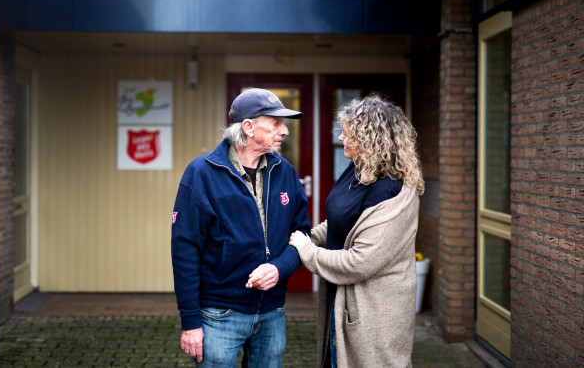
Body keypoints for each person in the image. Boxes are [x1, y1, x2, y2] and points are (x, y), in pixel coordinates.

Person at [171, 88, 311, 367]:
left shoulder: (285, 172)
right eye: (275, 123)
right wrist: (190, 322)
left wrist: (279, 268)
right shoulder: (201, 173)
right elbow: (185, 249)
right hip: (219, 313)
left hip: (272, 311)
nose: (284, 131)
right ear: (248, 127)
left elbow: (302, 234)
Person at [289, 94, 425, 368]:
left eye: (348, 134)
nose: (341, 138)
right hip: (342, 298)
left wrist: (307, 251)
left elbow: (360, 262)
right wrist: (310, 236)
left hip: (375, 309)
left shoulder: (393, 190)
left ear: (371, 138)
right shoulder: (359, 170)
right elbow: (343, 221)